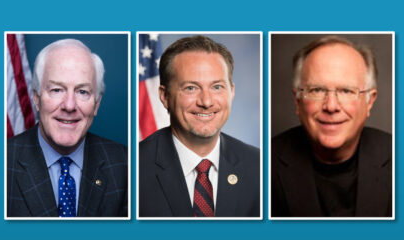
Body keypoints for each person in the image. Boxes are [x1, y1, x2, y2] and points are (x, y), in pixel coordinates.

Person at [139, 35, 260, 217]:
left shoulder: (259, 166)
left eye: (217, 87)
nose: (206, 101)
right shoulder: (134, 168)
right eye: (191, 88)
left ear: (231, 92)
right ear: (164, 96)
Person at [271, 35, 392, 217]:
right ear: (298, 101)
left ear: (369, 102)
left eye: (346, 91)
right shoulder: (262, 165)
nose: (331, 106)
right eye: (317, 90)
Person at [7, 39, 128, 217]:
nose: (69, 105)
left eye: (82, 92)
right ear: (36, 97)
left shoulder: (127, 165)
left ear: (96, 104)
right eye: (57, 90)